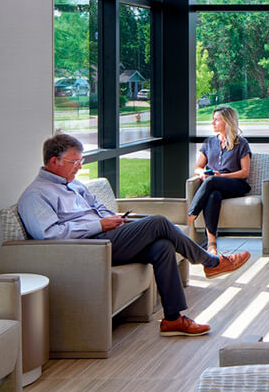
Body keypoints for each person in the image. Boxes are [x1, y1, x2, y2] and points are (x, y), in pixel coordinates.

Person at [18, 132, 251, 337]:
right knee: (158, 223)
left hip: (107, 237)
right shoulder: (35, 196)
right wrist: (100, 225)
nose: (79, 167)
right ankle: (210, 262)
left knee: (162, 246)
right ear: (52, 162)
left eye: (81, 161)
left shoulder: (75, 184)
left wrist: (116, 221)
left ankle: (172, 319)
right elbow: (52, 236)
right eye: (74, 162)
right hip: (87, 250)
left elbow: (98, 208)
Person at [187, 106, 252, 251]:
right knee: (213, 196)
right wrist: (202, 173)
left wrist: (221, 176)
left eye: (216, 120)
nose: (213, 123)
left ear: (227, 122)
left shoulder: (241, 143)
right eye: (213, 120)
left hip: (236, 184)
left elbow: (244, 172)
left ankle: (189, 217)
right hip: (214, 185)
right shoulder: (209, 142)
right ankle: (211, 244)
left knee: (212, 181)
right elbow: (198, 167)